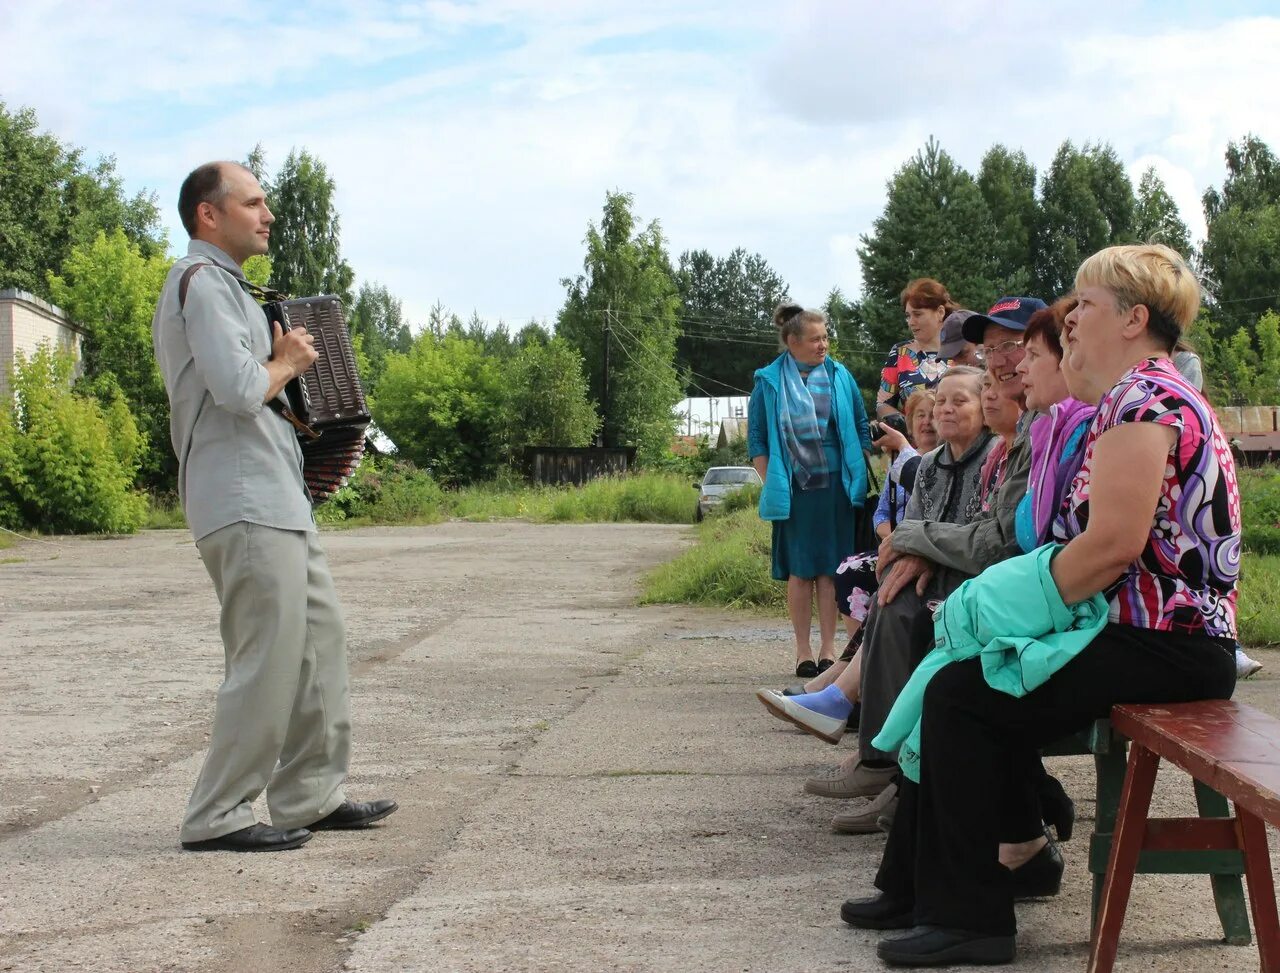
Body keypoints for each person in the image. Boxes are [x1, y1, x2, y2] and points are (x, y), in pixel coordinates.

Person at [845, 244, 1240, 967]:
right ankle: (937, 881)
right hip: (1143, 633)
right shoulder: (1136, 395)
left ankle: (972, 917)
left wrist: (1007, 608)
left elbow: (1113, 545)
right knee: (960, 676)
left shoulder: (1146, 398)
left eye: (1084, 306)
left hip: (1170, 644)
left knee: (964, 694)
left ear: (1133, 319)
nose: (1072, 320)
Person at [152, 161, 396, 852]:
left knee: (318, 646)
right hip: (241, 496)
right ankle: (218, 813)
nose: (267, 215)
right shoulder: (198, 283)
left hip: (277, 495)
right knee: (265, 658)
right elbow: (235, 388)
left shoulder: (232, 289)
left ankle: (310, 796)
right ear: (209, 214)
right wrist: (287, 359)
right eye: (253, 203)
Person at [758, 368, 994, 831]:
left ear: (984, 409)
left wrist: (917, 546)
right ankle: (883, 765)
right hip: (936, 580)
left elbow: (980, 541)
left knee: (900, 609)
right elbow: (912, 539)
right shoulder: (929, 466)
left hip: (973, 586)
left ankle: (887, 770)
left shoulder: (992, 462)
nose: (945, 410)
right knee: (891, 599)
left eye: (958, 401)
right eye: (940, 400)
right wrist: (915, 551)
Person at [748, 303, 872, 678]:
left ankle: (829, 649)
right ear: (792, 342)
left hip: (837, 487)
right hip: (794, 489)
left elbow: (861, 425)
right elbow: (757, 439)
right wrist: (772, 479)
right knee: (801, 572)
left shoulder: (839, 374)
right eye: (815, 339)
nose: (824, 345)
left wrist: (858, 464)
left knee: (832, 571)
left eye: (826, 337)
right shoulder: (768, 381)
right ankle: (803, 650)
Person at [877, 279, 956, 418]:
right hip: (912, 439)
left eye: (918, 314)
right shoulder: (900, 352)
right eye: (908, 316)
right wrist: (906, 426)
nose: (911, 322)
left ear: (940, 312)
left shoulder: (961, 350)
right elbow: (883, 404)